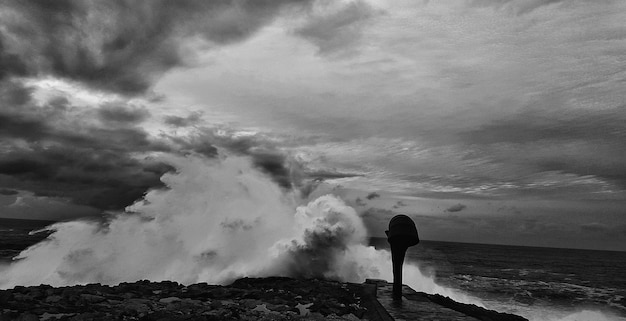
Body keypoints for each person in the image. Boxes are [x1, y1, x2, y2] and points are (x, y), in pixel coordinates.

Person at [385, 214, 419, 300]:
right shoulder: (405, 227)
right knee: (398, 264)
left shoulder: (395, 231)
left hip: (397, 236)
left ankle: (397, 293)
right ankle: (397, 292)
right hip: (408, 235)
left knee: (397, 264)